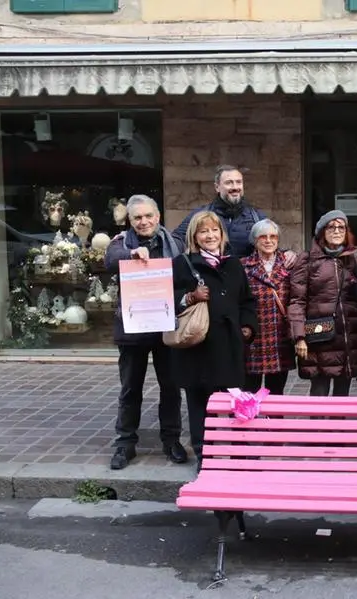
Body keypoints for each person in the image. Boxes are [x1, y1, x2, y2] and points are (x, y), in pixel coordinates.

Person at [104, 194, 188, 470]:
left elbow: (186, 274)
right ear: (130, 221)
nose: (143, 221)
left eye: (148, 216)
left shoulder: (174, 244)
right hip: (133, 330)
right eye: (137, 217)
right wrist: (131, 255)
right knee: (130, 389)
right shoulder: (121, 243)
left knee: (171, 387)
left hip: (166, 326)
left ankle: (171, 440)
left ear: (158, 216)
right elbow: (109, 259)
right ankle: (125, 444)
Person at [171, 210, 258, 469]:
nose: (210, 235)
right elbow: (167, 303)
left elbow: (247, 301)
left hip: (229, 347)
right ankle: (204, 455)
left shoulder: (233, 264)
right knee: (199, 404)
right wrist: (190, 297)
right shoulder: (183, 263)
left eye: (214, 230)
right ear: (195, 237)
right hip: (198, 349)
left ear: (222, 234)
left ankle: (236, 453)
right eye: (203, 231)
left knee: (232, 401)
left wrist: (247, 327)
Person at [288, 210, 357, 396]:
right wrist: (299, 336)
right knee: (319, 389)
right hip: (319, 336)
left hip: (347, 335)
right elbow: (296, 301)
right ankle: (317, 427)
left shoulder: (353, 261)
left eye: (341, 227)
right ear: (322, 231)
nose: (337, 230)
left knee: (343, 392)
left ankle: (339, 427)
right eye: (331, 226)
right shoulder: (307, 260)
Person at [173, 165, 296, 264]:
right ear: (217, 187)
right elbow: (176, 241)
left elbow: (270, 244)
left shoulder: (256, 217)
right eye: (229, 183)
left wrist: (287, 253)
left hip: (247, 285)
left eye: (238, 182)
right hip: (212, 283)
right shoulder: (201, 216)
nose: (235, 187)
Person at [240, 219, 295, 395]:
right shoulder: (243, 266)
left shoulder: (289, 264)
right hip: (253, 337)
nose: (269, 240)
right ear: (255, 241)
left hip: (280, 337)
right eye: (263, 237)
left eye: (273, 236)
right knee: (249, 389)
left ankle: (274, 421)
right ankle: (249, 420)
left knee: (277, 390)